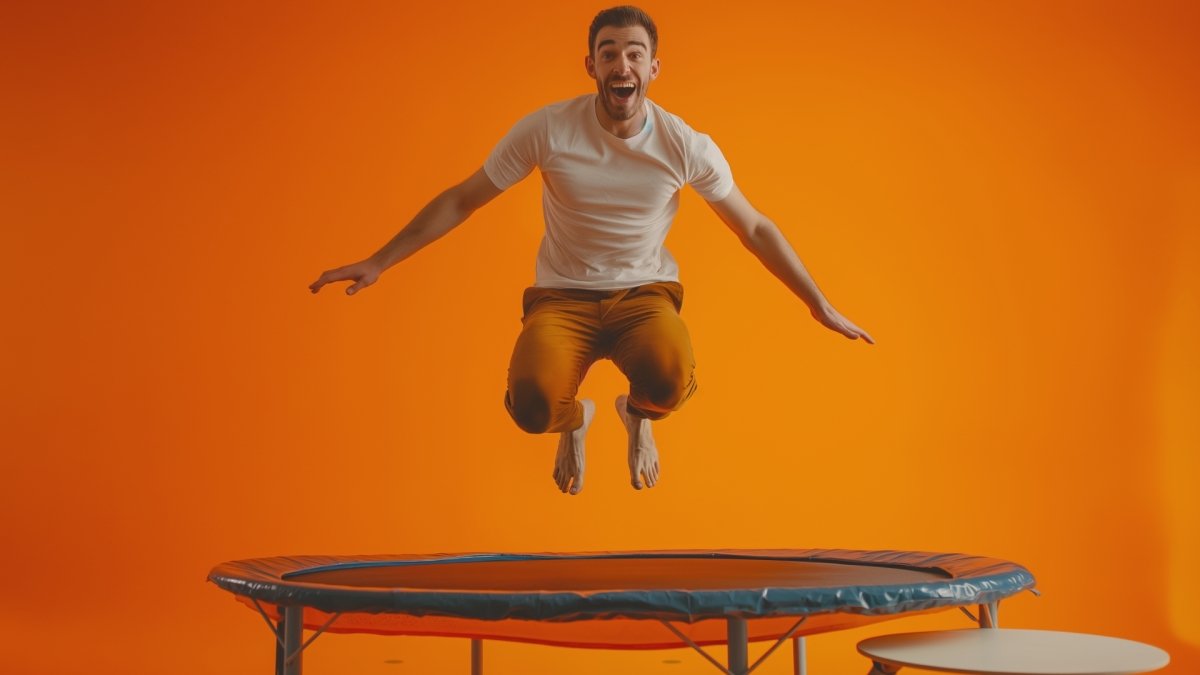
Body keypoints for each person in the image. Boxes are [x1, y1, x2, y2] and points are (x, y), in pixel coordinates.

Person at [309, 6, 874, 496]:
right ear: (592, 67)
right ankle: (577, 421)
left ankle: (636, 414)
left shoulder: (684, 145)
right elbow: (462, 200)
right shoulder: (548, 130)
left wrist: (816, 303)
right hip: (562, 299)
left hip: (643, 295)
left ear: (653, 69)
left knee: (668, 379)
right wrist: (378, 260)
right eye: (608, 54)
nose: (621, 65)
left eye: (634, 54)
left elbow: (753, 229)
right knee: (532, 408)